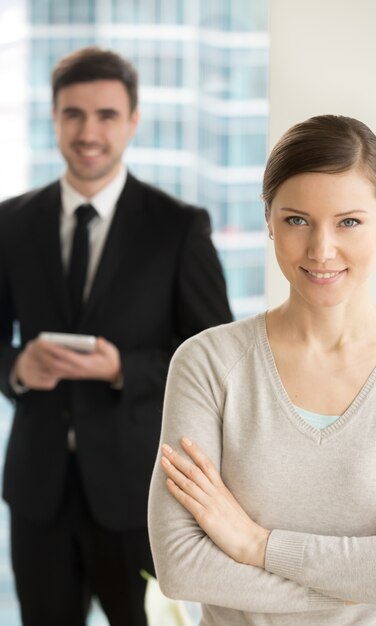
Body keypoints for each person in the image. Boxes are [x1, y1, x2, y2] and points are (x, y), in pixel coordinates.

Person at [149, 114, 376, 626]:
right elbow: (182, 567)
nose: (321, 250)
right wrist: (366, 580)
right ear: (268, 218)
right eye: (297, 220)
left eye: (349, 221)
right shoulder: (207, 364)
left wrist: (257, 544)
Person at [0, 46, 232, 626]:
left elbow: (216, 357)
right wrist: (17, 368)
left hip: (138, 495)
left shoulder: (178, 227)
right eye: (73, 114)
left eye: (106, 115)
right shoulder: (10, 223)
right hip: (38, 494)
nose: (88, 131)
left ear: (132, 121)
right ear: (53, 119)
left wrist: (122, 367)